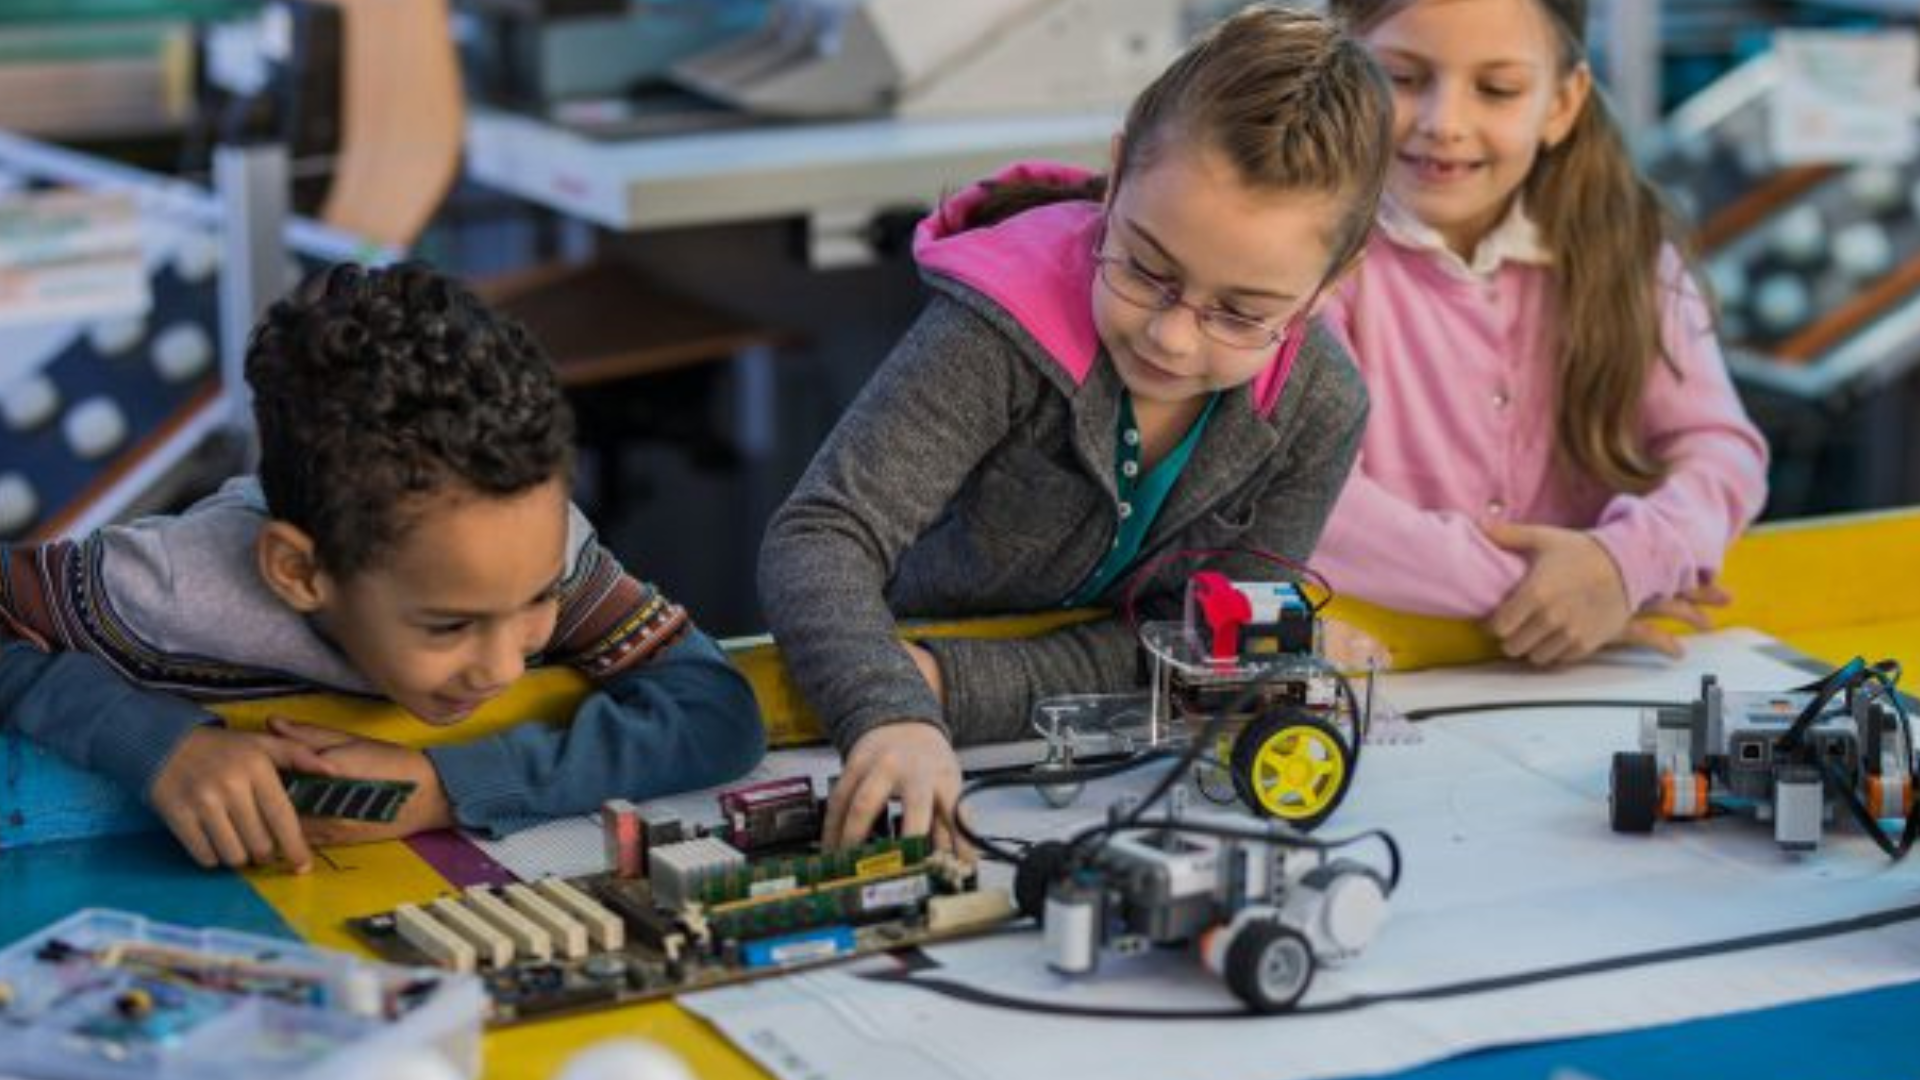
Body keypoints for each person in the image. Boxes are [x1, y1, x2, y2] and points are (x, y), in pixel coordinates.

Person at [758, 4, 1395, 850]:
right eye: (1147, 267)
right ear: (1121, 167)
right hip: (888, 726)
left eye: (1242, 313)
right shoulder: (996, 331)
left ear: (1328, 286)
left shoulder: (1321, 405)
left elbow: (1211, 658)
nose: (1172, 335)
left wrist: (954, 688)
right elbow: (821, 534)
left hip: (1086, 759)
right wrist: (890, 709)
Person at [0, 262, 765, 872]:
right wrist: (157, 744)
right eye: (450, 624)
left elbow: (715, 711)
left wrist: (443, 788)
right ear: (299, 573)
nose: (502, 664)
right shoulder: (171, 585)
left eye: (535, 602)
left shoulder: (535, 539)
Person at [1314, 0, 1769, 666]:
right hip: (1381, 671)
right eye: (1402, 78)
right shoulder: (1306, 256)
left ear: (1562, 103)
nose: (1446, 123)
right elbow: (1320, 508)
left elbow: (1722, 450)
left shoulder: (1631, 254)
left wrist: (1628, 560)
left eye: (1497, 89)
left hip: (1589, 671)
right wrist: (1562, 590)